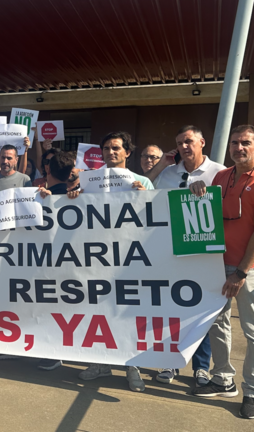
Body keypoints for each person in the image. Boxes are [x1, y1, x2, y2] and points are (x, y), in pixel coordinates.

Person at [69, 131, 153, 392]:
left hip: (130, 258)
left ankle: (132, 367)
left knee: (129, 313)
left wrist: (145, 197)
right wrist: (73, 197)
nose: (110, 152)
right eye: (106, 148)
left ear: (128, 152)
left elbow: (156, 218)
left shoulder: (143, 182)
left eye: (116, 148)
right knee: (98, 311)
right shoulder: (90, 181)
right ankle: (100, 363)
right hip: (96, 257)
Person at [145, 126, 225, 386]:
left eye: (189, 141)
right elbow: (143, 191)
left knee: (202, 312)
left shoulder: (220, 172)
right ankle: (171, 362)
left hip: (205, 253)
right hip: (170, 253)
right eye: (179, 143)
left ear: (202, 142)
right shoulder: (168, 173)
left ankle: (201, 367)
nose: (184, 147)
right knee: (174, 309)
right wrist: (163, 164)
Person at [188, 124, 254, 419]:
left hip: (247, 270)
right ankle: (223, 379)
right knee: (218, 324)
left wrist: (241, 272)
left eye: (246, 143)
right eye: (235, 143)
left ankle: (251, 391)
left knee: (252, 333)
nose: (239, 148)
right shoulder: (222, 176)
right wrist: (195, 190)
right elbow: (207, 210)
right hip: (217, 264)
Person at [35, 151, 78, 371]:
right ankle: (53, 350)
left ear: (48, 170)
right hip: (67, 262)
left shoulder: (38, 197)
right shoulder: (78, 197)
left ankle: (51, 350)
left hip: (39, 262)